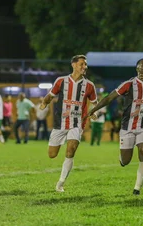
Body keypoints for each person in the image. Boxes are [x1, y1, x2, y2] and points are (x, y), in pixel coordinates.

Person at [85, 58, 143, 195]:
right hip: (127, 126)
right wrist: (94, 109)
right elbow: (109, 98)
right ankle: (122, 159)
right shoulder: (129, 84)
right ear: (138, 69)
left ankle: (137, 188)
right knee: (126, 160)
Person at [39, 55, 98, 192]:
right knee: (52, 154)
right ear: (73, 65)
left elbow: (95, 103)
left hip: (77, 123)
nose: (84, 67)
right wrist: (44, 103)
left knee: (71, 149)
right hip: (60, 122)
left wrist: (94, 112)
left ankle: (61, 183)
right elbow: (50, 95)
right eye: (82, 64)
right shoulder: (61, 81)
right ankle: (60, 177)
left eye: (85, 65)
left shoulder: (89, 85)